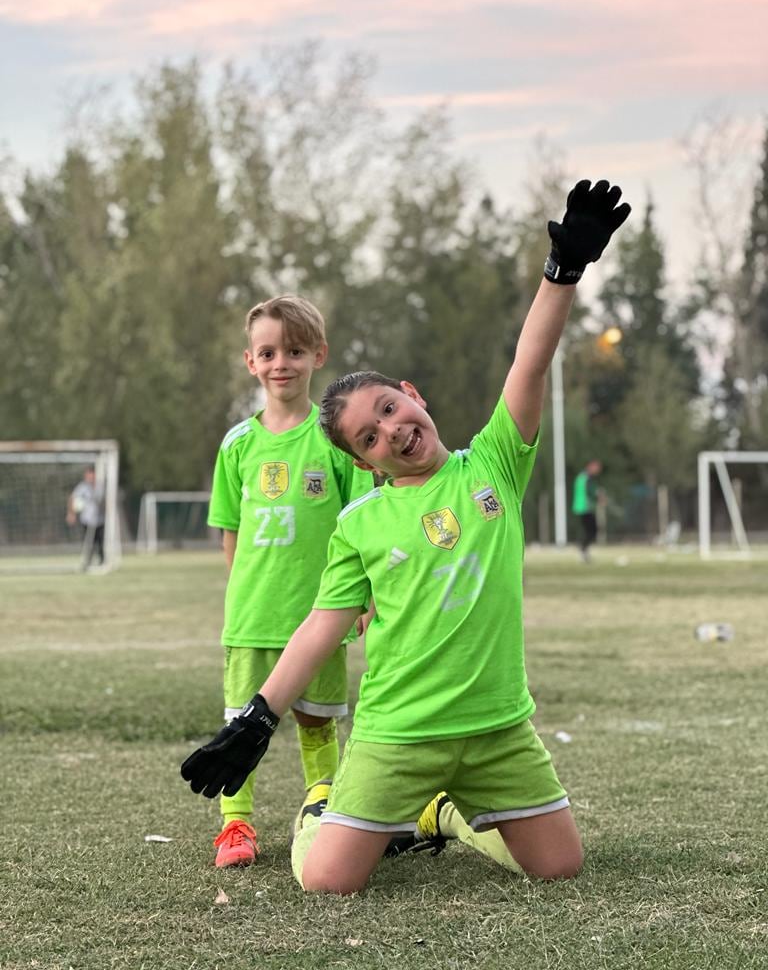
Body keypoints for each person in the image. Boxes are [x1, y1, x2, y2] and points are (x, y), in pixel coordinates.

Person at [181, 180, 631, 893]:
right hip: (399, 729)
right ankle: (320, 808)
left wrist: (562, 273)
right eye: (370, 436)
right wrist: (258, 718)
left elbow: (530, 362)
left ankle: (447, 815)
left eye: (391, 408)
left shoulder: (494, 463)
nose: (392, 430)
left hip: (498, 728)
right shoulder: (360, 521)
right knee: (326, 883)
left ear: (412, 394)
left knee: (560, 868)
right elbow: (321, 629)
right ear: (364, 462)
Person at [202, 295, 373, 869]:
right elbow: (231, 532)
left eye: (295, 351)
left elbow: (363, 524)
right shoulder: (238, 445)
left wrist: (365, 598)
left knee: (317, 720)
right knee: (242, 722)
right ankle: (236, 824)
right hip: (253, 617)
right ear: (250, 361)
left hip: (320, 616)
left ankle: (321, 813)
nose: (283, 363)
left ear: (317, 356)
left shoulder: (336, 440)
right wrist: (247, 595)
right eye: (269, 352)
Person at [66, 466, 105, 568]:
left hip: (99, 519)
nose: (91, 477)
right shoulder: (82, 487)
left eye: (92, 475)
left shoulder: (100, 487)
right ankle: (88, 561)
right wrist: (71, 513)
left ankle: (102, 561)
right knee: (88, 541)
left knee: (100, 542)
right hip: (87, 519)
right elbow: (72, 498)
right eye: (88, 475)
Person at [572, 460, 603, 561]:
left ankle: (583, 550)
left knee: (588, 530)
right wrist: (599, 497)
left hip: (581, 507)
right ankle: (582, 550)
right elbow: (591, 492)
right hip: (585, 507)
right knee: (591, 530)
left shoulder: (581, 477)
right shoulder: (587, 478)